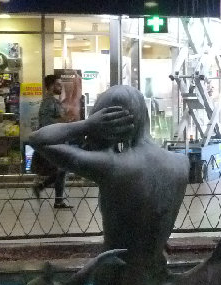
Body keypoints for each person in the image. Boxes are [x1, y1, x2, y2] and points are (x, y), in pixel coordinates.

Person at [29, 84, 189, 271]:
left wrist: (86, 125)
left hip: (116, 282)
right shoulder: (181, 162)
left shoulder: (111, 166)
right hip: (156, 273)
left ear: (108, 125)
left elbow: (37, 139)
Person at [32, 73, 79, 208]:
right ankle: (45, 190)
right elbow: (46, 123)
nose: (60, 87)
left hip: (56, 141)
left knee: (62, 169)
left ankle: (49, 192)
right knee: (62, 168)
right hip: (52, 142)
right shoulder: (48, 102)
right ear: (52, 86)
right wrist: (64, 120)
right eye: (58, 84)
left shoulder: (54, 102)